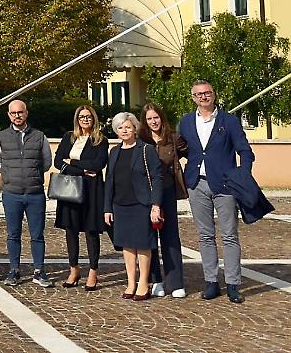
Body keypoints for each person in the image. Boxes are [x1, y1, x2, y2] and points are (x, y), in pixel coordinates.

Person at [179, 79, 254, 304]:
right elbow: (179, 149)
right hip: (197, 183)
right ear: (193, 97)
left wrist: (242, 175)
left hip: (225, 184)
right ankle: (211, 282)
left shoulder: (229, 121)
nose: (204, 97)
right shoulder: (185, 122)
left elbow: (245, 151)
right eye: (199, 94)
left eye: (207, 93)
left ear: (214, 95)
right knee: (205, 235)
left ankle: (233, 283)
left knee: (230, 235)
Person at [0, 99, 53, 288]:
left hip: (35, 193)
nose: (17, 116)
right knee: (13, 234)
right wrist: (10, 176)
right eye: (13, 113)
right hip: (12, 193)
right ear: (9, 115)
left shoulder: (39, 136)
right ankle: (14, 270)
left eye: (20, 112)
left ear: (26, 113)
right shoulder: (1, 137)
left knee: (37, 235)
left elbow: (46, 162)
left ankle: (39, 270)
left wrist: (33, 175)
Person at [104, 112, 162, 301]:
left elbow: (157, 178)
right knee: (127, 245)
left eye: (128, 127)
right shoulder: (114, 152)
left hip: (141, 204)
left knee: (143, 244)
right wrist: (107, 208)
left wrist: (156, 205)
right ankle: (131, 282)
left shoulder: (146, 150)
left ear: (135, 128)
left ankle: (144, 282)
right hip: (120, 204)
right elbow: (109, 181)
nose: (124, 130)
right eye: (120, 128)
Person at [53, 105, 108, 290]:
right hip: (70, 189)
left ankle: (93, 271)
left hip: (92, 190)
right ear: (77, 119)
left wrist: (73, 163)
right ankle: (74, 269)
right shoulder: (68, 137)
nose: (85, 119)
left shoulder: (101, 140)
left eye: (88, 116)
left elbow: (99, 163)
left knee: (91, 231)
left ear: (94, 119)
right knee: (71, 229)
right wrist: (83, 169)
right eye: (82, 116)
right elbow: (58, 161)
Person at [138, 102, 189, 298]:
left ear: (162, 118)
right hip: (145, 194)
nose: (153, 122)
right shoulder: (141, 140)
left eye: (156, 117)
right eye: (149, 119)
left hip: (167, 192)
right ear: (145, 121)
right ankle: (155, 280)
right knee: (148, 238)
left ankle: (175, 282)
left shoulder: (174, 139)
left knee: (170, 237)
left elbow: (193, 154)